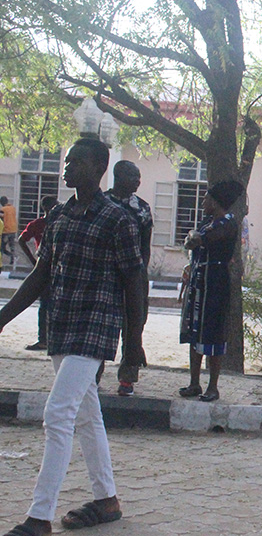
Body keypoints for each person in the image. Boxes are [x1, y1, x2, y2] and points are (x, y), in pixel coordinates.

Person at [0, 138, 145, 536]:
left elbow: (135, 283)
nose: (66, 168)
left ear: (99, 167)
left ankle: (39, 520)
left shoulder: (118, 220)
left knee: (58, 414)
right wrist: (4, 317)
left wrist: (134, 346)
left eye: (75, 162)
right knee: (86, 415)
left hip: (96, 327)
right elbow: (41, 275)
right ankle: (106, 500)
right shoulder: (60, 217)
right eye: (66, 162)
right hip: (63, 326)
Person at [178, 180, 244, 403]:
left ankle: (213, 387)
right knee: (195, 331)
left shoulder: (227, 223)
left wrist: (194, 238)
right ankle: (194, 383)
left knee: (213, 332)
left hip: (215, 283)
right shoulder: (209, 221)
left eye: (206, 199)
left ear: (216, 203)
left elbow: (196, 240)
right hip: (200, 281)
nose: (203, 202)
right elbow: (191, 239)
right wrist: (193, 238)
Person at [106, 160, 153, 397]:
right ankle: (92, 376)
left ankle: (128, 379)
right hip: (105, 276)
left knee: (134, 327)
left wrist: (140, 273)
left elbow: (145, 246)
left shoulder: (142, 209)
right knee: (102, 326)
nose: (138, 180)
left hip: (134, 276)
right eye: (133, 175)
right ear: (119, 176)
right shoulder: (101, 203)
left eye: (139, 176)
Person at [18, 195, 58, 351]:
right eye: (54, 206)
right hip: (44, 268)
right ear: (47, 208)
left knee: (56, 304)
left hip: (60, 267)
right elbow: (22, 240)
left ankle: (52, 339)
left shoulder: (61, 222)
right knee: (45, 304)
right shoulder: (38, 225)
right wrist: (33, 260)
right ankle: (43, 340)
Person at [1, 195, 17, 268]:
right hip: (13, 230)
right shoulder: (13, 208)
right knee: (12, 246)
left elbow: (2, 219)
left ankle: (9, 257)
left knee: (2, 248)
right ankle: (13, 260)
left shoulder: (3, 209)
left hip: (6, 231)